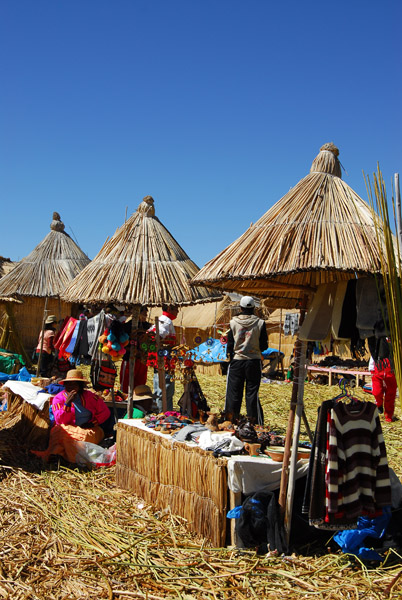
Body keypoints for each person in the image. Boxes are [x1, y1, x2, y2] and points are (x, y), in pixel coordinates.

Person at [32, 369, 114, 463]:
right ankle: (63, 455)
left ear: (80, 386)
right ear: (65, 385)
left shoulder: (91, 397)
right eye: (68, 384)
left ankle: (63, 454)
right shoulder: (59, 398)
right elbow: (60, 420)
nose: (71, 387)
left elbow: (105, 411)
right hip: (67, 428)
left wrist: (93, 423)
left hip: (87, 430)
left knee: (85, 438)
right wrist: (67, 404)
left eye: (74, 384)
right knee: (60, 432)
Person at [225, 296, 268, 424]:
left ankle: (231, 421)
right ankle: (253, 423)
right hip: (253, 362)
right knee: (252, 394)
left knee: (234, 393)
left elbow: (230, 345)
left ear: (241, 308)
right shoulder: (260, 323)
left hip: (237, 361)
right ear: (254, 308)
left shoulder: (233, 322)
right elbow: (264, 345)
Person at [148, 303, 178, 412]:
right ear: (169, 308)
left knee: (160, 387)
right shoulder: (166, 320)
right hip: (165, 360)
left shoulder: (163, 320)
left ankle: (161, 411)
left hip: (161, 360)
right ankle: (163, 413)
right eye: (176, 309)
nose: (177, 312)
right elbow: (158, 334)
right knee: (165, 389)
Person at [120, 306, 151, 393]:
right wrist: (130, 349)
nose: (146, 315)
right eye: (144, 313)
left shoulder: (148, 327)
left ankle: (138, 400)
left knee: (140, 384)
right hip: (129, 358)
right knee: (126, 383)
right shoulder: (127, 326)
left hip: (142, 360)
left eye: (146, 313)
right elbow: (122, 343)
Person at [368, 336, 397, 423]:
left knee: (390, 396)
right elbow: (374, 356)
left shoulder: (395, 341)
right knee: (377, 392)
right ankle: (379, 404)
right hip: (378, 371)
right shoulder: (378, 340)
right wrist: (372, 369)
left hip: (391, 373)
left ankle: (388, 416)